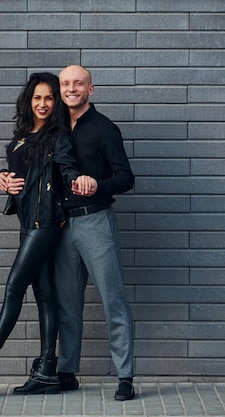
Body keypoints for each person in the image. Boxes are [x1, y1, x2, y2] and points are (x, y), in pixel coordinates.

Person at [0, 72, 89, 398]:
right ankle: (47, 370)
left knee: (13, 289)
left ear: (55, 102)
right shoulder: (23, 134)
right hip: (27, 223)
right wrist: (0, 176)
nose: (43, 103)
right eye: (38, 98)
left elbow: (65, 165)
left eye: (49, 97)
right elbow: (17, 172)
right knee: (44, 295)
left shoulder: (57, 136)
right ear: (28, 101)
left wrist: (78, 179)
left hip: (44, 224)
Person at [54, 65, 136, 401]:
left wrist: (98, 185)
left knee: (112, 300)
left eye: (78, 83)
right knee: (67, 302)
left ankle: (125, 377)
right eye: (65, 83)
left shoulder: (105, 129)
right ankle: (67, 372)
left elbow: (126, 178)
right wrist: (2, 175)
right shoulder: (54, 127)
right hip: (61, 226)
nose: (71, 88)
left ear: (91, 89)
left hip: (96, 221)